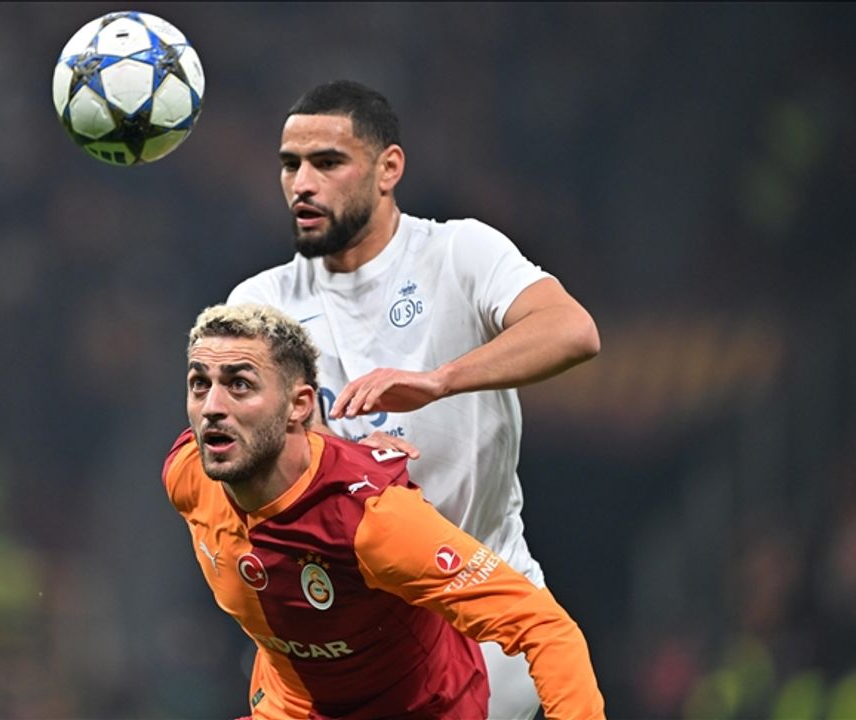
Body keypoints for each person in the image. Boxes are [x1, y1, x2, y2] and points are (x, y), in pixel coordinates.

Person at [225, 79, 602, 718]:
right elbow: (247, 452)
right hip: (343, 633)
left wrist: (440, 381)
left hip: (478, 614)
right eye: (291, 165)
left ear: (388, 168)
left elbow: (573, 330)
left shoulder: (459, 253)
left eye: (328, 162)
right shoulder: (261, 302)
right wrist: (346, 465)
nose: (302, 184)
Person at [164, 303, 604, 719]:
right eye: (200, 384)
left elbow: (546, 628)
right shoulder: (188, 473)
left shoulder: (372, 518)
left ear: (298, 406)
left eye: (240, 384)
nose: (212, 408)